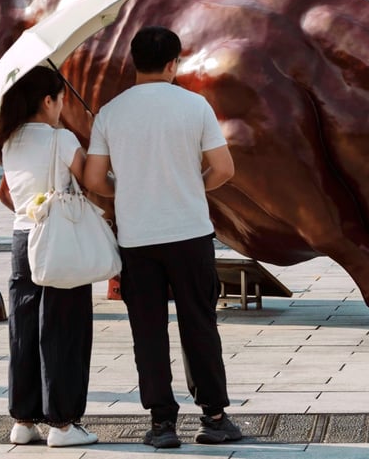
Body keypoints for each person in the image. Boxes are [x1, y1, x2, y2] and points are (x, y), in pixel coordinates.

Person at [83, 26, 242, 449]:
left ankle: (161, 423)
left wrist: (131, 188)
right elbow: (224, 169)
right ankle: (214, 416)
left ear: (134, 61)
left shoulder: (111, 113)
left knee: (147, 330)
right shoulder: (195, 106)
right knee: (199, 324)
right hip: (190, 232)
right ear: (174, 63)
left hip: (137, 237)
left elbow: (95, 179)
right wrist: (192, 184)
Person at [0, 66, 99, 447]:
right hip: (58, 240)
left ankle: (23, 420)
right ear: (48, 100)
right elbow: (93, 180)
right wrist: (100, 138)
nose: (62, 106)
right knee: (63, 328)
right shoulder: (62, 140)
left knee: (23, 328)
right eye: (61, 99)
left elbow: (7, 194)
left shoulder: (10, 141)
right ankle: (64, 424)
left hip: (22, 239)